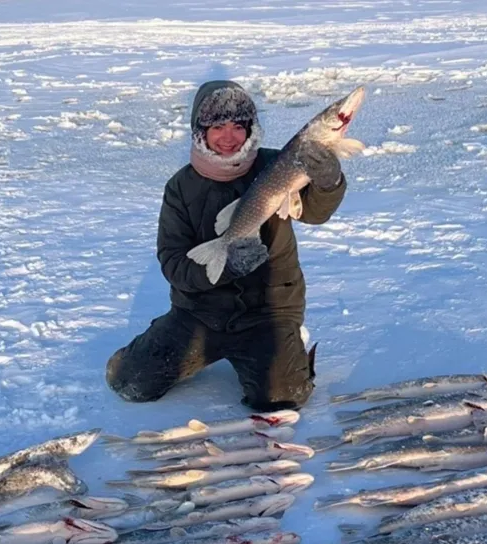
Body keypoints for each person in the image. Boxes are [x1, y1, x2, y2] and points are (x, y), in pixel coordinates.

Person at [104, 80, 348, 412]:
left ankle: (288, 348)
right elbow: (173, 262)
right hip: (199, 314)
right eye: (218, 126)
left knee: (282, 399)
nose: (229, 137)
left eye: (238, 126)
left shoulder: (277, 165)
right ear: (199, 131)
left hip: (268, 311)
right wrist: (226, 267)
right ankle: (153, 344)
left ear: (251, 129)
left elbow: (316, 212)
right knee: (128, 382)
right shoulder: (180, 188)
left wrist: (329, 180)